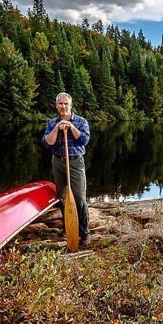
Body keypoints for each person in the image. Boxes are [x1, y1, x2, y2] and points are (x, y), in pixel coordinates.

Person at [42, 92, 91, 245]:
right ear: (56, 106)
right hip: (58, 161)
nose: (63, 107)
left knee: (79, 199)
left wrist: (71, 127)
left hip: (75, 162)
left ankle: (84, 233)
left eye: (66, 104)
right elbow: (47, 143)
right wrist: (57, 128)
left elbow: (84, 140)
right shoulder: (52, 123)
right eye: (60, 104)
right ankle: (68, 227)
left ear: (71, 105)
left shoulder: (81, 121)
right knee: (62, 198)